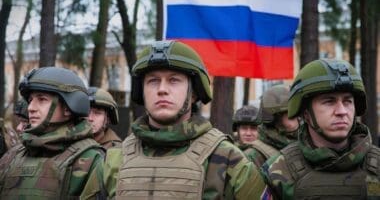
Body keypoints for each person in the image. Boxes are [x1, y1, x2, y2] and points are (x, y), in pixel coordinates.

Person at [81, 40, 266, 199]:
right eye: (153, 81)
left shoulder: (227, 158)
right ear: (142, 92)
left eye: (174, 80)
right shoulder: (113, 160)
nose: (162, 89)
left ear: (193, 94)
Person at [261, 59, 380, 199]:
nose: (342, 111)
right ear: (306, 114)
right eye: (329, 101)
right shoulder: (278, 170)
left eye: (347, 101)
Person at [0, 67, 104, 199]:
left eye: (42, 99)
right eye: (31, 100)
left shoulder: (91, 160)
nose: (31, 108)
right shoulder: (13, 155)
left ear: (68, 107)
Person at [249, 84, 299, 168]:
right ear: (275, 119)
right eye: (292, 115)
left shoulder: (304, 146)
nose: (299, 119)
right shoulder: (255, 156)